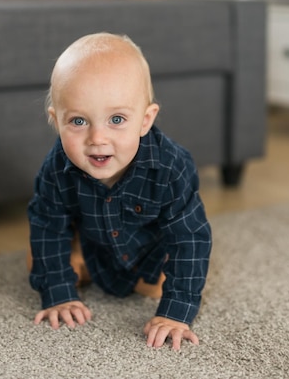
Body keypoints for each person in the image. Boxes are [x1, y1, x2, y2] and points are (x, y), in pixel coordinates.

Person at [27, 32, 212, 350]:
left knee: (166, 282)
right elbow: (47, 223)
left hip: (150, 252)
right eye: (79, 121)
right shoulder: (57, 166)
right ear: (56, 122)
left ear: (145, 120)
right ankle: (80, 260)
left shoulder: (171, 167)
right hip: (94, 242)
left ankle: (104, 270)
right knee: (40, 261)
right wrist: (58, 293)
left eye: (116, 119)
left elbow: (188, 237)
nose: (97, 138)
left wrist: (176, 313)